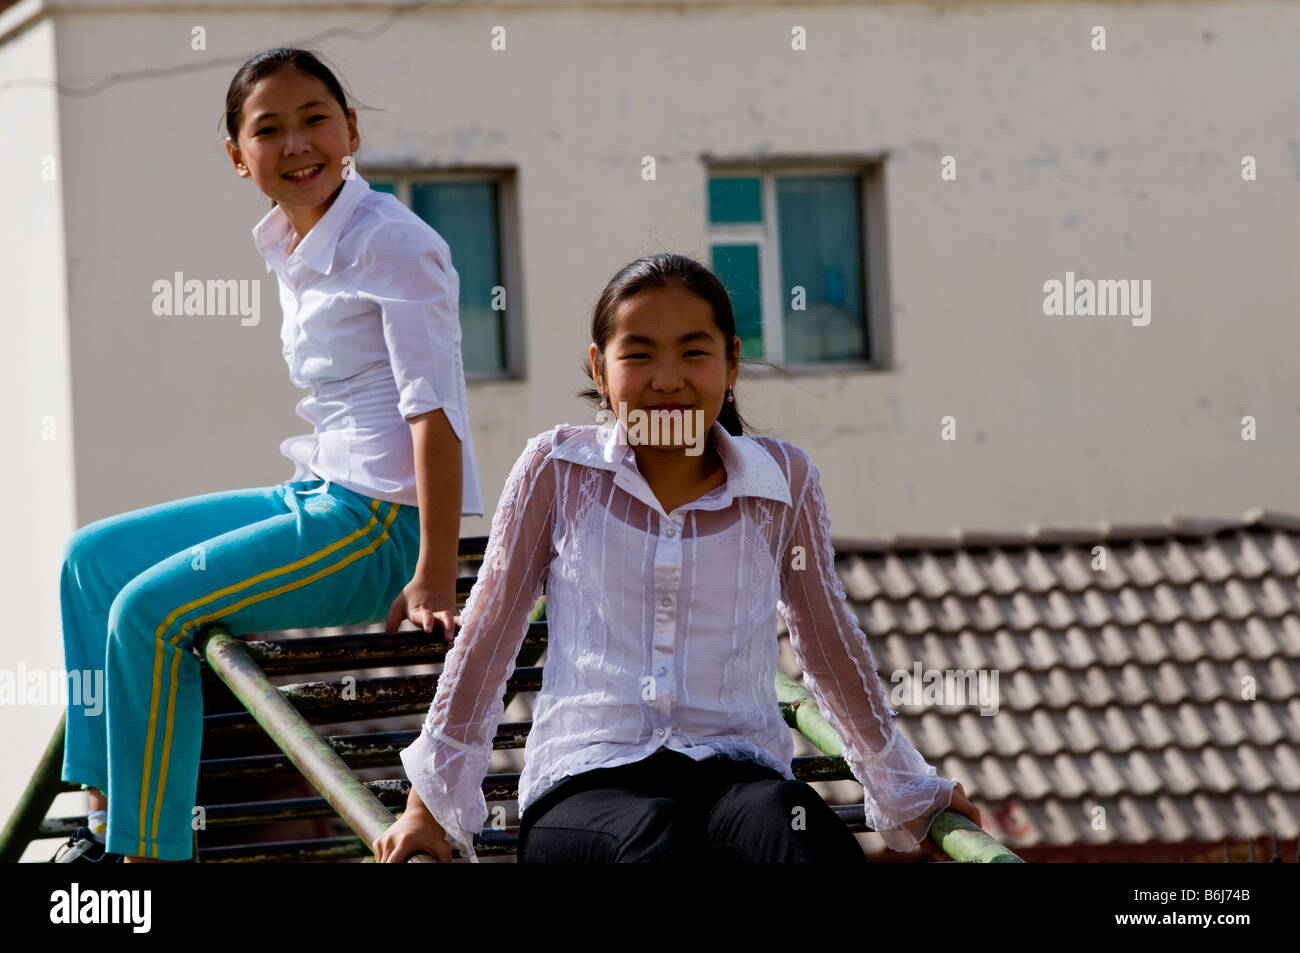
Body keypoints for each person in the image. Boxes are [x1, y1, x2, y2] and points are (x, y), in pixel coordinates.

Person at [373, 253, 978, 864]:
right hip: (585, 784)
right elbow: (490, 633)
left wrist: (907, 790)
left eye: (694, 352)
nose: (667, 379)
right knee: (655, 838)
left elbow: (827, 646)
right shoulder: (557, 470)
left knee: (794, 827)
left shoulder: (783, 481)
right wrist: (427, 805)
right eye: (637, 355)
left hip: (737, 776)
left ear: (732, 363)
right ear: (599, 369)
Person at [54, 47, 483, 863]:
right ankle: (104, 810)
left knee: (148, 615)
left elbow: (436, 410)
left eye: (316, 119)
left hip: (380, 522)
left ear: (351, 129)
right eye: (269, 129)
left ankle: (145, 858)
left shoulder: (392, 241)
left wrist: (432, 567)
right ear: (237, 155)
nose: (296, 145)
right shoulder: (293, 239)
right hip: (321, 490)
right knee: (91, 560)